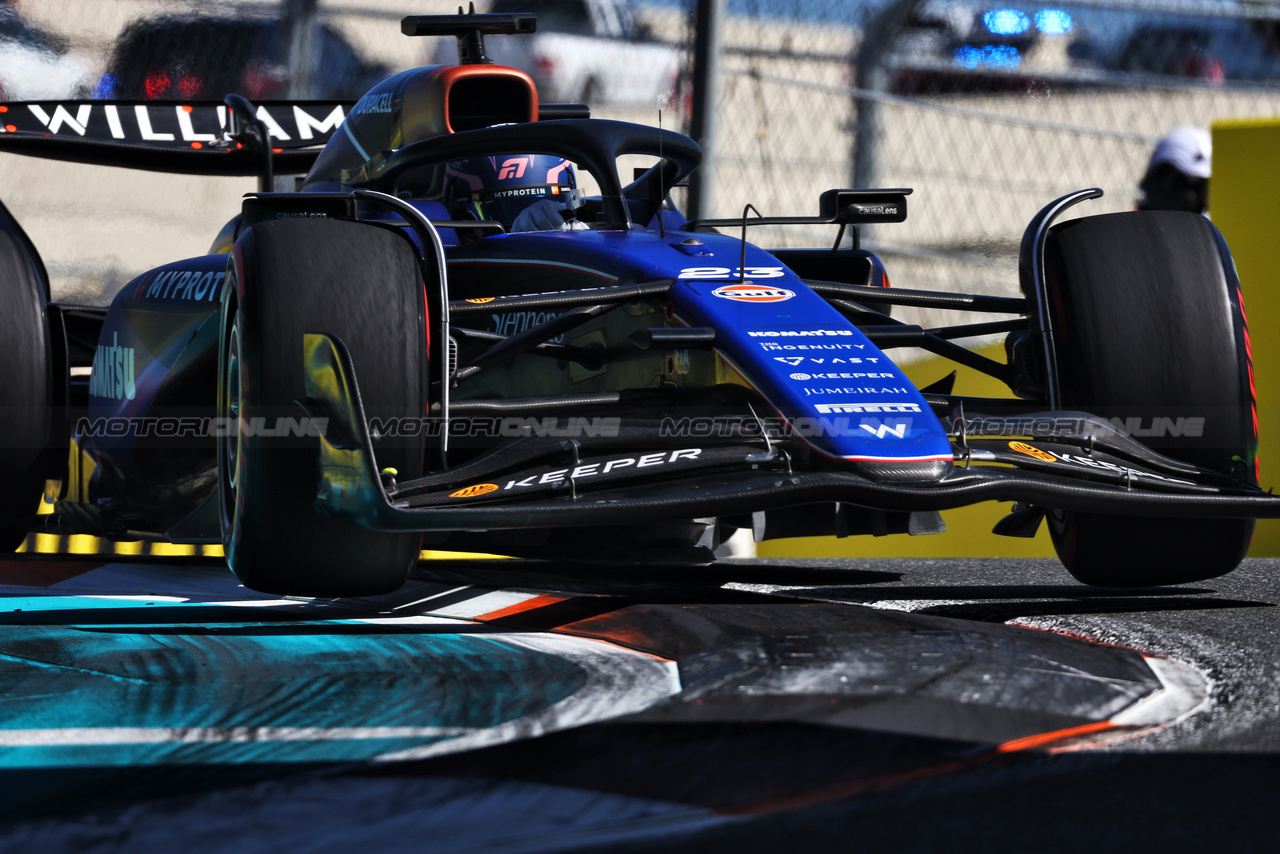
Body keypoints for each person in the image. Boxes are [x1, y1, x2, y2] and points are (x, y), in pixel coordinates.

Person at [443, 154, 587, 233]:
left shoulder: (584, 235)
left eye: (551, 210)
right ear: (460, 212)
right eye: (502, 211)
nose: (528, 227)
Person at [1137, 126, 1211, 215]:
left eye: (1200, 186)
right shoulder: (1133, 224)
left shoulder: (1213, 225)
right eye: (1180, 183)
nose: (1193, 199)